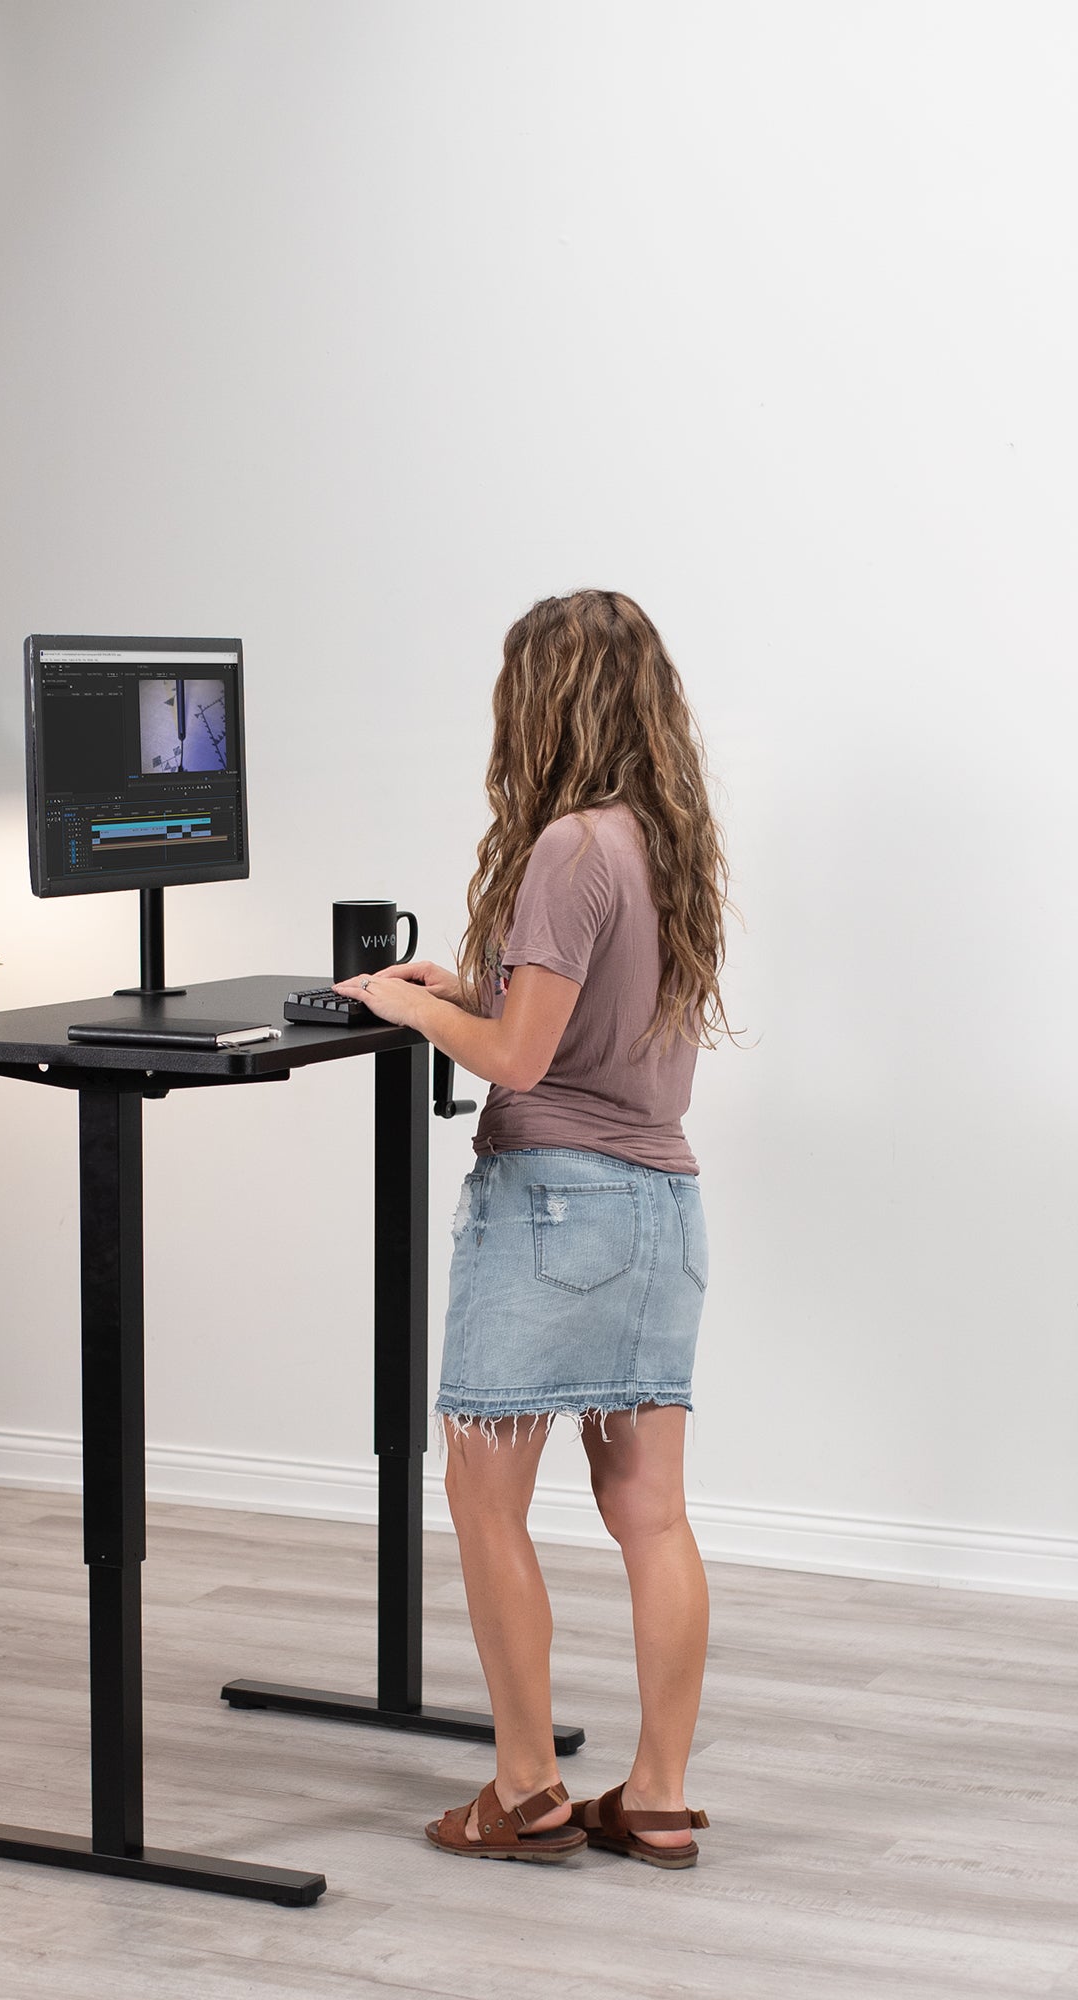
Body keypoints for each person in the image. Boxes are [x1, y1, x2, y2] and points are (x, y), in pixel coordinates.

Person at [336, 589, 730, 1870]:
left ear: (545, 701)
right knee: (650, 1514)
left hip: (556, 1207)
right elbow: (567, 1014)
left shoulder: (566, 844)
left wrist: (408, 1009)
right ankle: (657, 1795)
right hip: (660, 1208)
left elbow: (519, 1054)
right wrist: (472, 982)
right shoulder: (660, 842)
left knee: (482, 1497)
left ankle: (522, 1788)